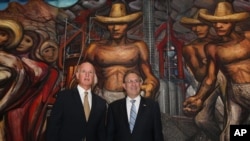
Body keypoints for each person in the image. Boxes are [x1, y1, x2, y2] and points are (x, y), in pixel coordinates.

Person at [183, 2, 250, 141]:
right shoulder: (213, 48)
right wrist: (199, 98)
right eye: (215, 22)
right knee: (228, 136)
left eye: (224, 22)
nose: (218, 25)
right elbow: (210, 78)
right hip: (235, 95)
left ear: (233, 22)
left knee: (239, 133)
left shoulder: (248, 37)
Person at [83, 2, 159, 103]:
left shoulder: (138, 46)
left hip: (132, 96)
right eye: (111, 24)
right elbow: (82, 74)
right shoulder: (95, 48)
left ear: (128, 25)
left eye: (121, 23)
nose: (115, 28)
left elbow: (149, 75)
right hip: (103, 97)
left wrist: (151, 85)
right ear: (107, 26)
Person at [180, 9, 226, 141]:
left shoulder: (220, 42)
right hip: (204, 87)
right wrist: (210, 63)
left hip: (227, 87)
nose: (196, 29)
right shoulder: (190, 48)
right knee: (202, 120)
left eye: (201, 25)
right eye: (193, 25)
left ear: (210, 25)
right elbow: (200, 75)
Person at [46, 61, 107, 141]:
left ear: (94, 77)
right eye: (83, 71)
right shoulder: (64, 97)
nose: (87, 75)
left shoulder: (101, 103)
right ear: (77, 75)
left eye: (90, 72)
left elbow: (101, 133)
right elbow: (53, 127)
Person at [106, 70, 164, 141]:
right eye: (130, 81)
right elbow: (109, 136)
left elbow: (158, 135)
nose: (134, 84)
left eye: (136, 81)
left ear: (140, 84)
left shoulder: (152, 106)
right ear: (124, 86)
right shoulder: (114, 108)